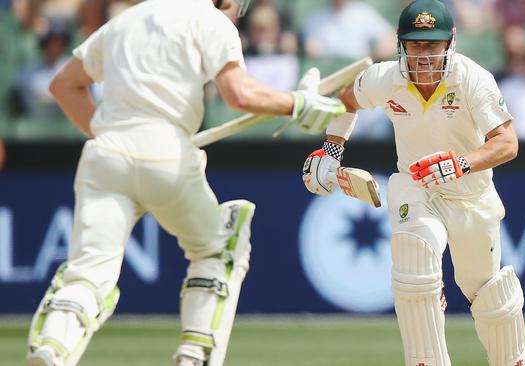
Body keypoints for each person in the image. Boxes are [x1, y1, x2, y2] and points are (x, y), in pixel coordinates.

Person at [24, 1, 345, 366]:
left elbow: (64, 85)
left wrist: (113, 133)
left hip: (105, 156)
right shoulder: (209, 20)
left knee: (88, 272)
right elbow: (239, 94)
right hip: (168, 158)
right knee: (219, 248)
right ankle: (194, 355)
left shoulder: (124, 21)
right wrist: (296, 103)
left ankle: (51, 346)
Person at [301, 1, 525, 365]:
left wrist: (461, 163)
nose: (424, 55)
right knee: (414, 264)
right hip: (417, 186)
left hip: (470, 196)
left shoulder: (472, 78)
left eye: (433, 45)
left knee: (488, 297)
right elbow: (347, 101)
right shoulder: (384, 77)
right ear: (400, 43)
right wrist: (330, 152)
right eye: (416, 45)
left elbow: (507, 143)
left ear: (450, 43)